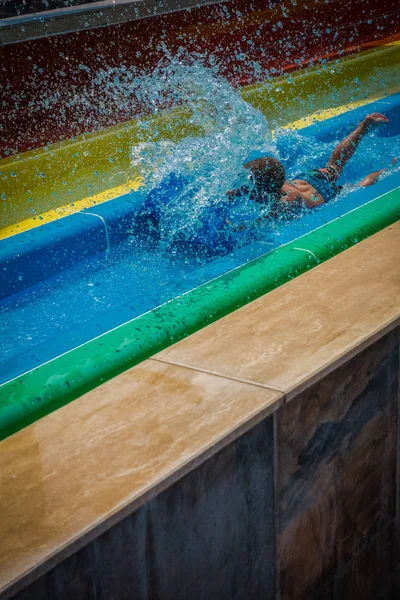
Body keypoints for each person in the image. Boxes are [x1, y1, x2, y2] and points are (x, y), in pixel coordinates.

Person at [227, 112, 394, 219]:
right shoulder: (269, 185)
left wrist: (239, 227)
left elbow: (263, 222)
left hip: (323, 194)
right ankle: (361, 129)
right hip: (308, 180)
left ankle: (386, 170)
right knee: (334, 166)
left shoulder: (287, 201)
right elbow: (247, 188)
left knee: (359, 187)